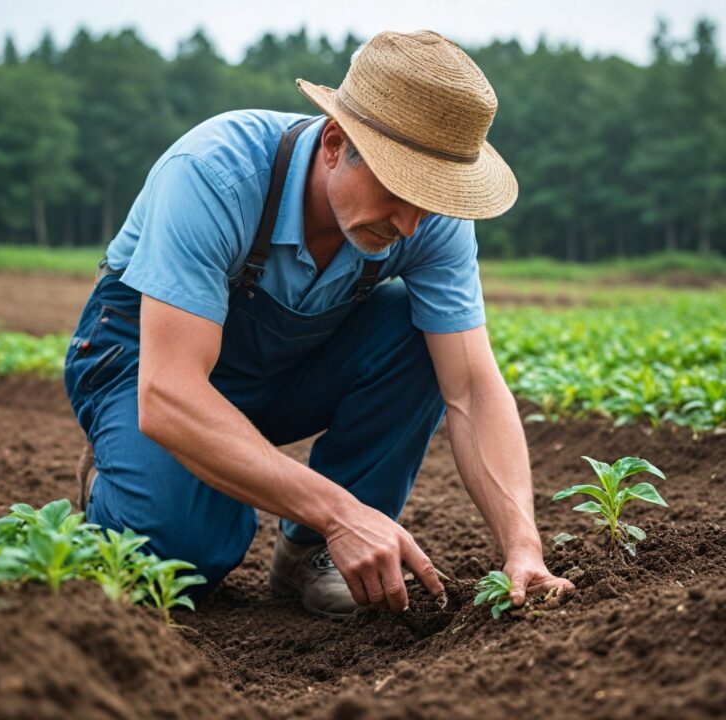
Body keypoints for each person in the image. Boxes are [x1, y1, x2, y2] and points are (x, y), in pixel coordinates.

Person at [65, 29, 574, 619]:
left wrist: (523, 546)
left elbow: (472, 389)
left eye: (430, 199)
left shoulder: (427, 223)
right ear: (334, 143)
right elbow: (168, 390)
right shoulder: (213, 174)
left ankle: (309, 555)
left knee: (419, 332)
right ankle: (119, 473)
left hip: (279, 368)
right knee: (174, 560)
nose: (410, 224)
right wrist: (341, 511)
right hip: (146, 364)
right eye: (398, 189)